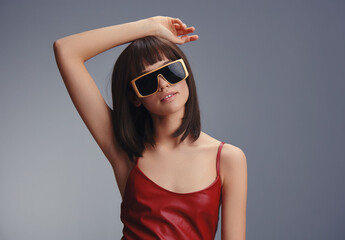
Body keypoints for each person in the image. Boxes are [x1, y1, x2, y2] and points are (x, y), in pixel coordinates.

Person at [53, 16, 247, 240]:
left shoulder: (229, 159)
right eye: (147, 81)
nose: (163, 84)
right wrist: (150, 26)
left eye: (171, 71)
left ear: (186, 74)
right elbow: (66, 49)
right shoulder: (125, 151)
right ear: (135, 98)